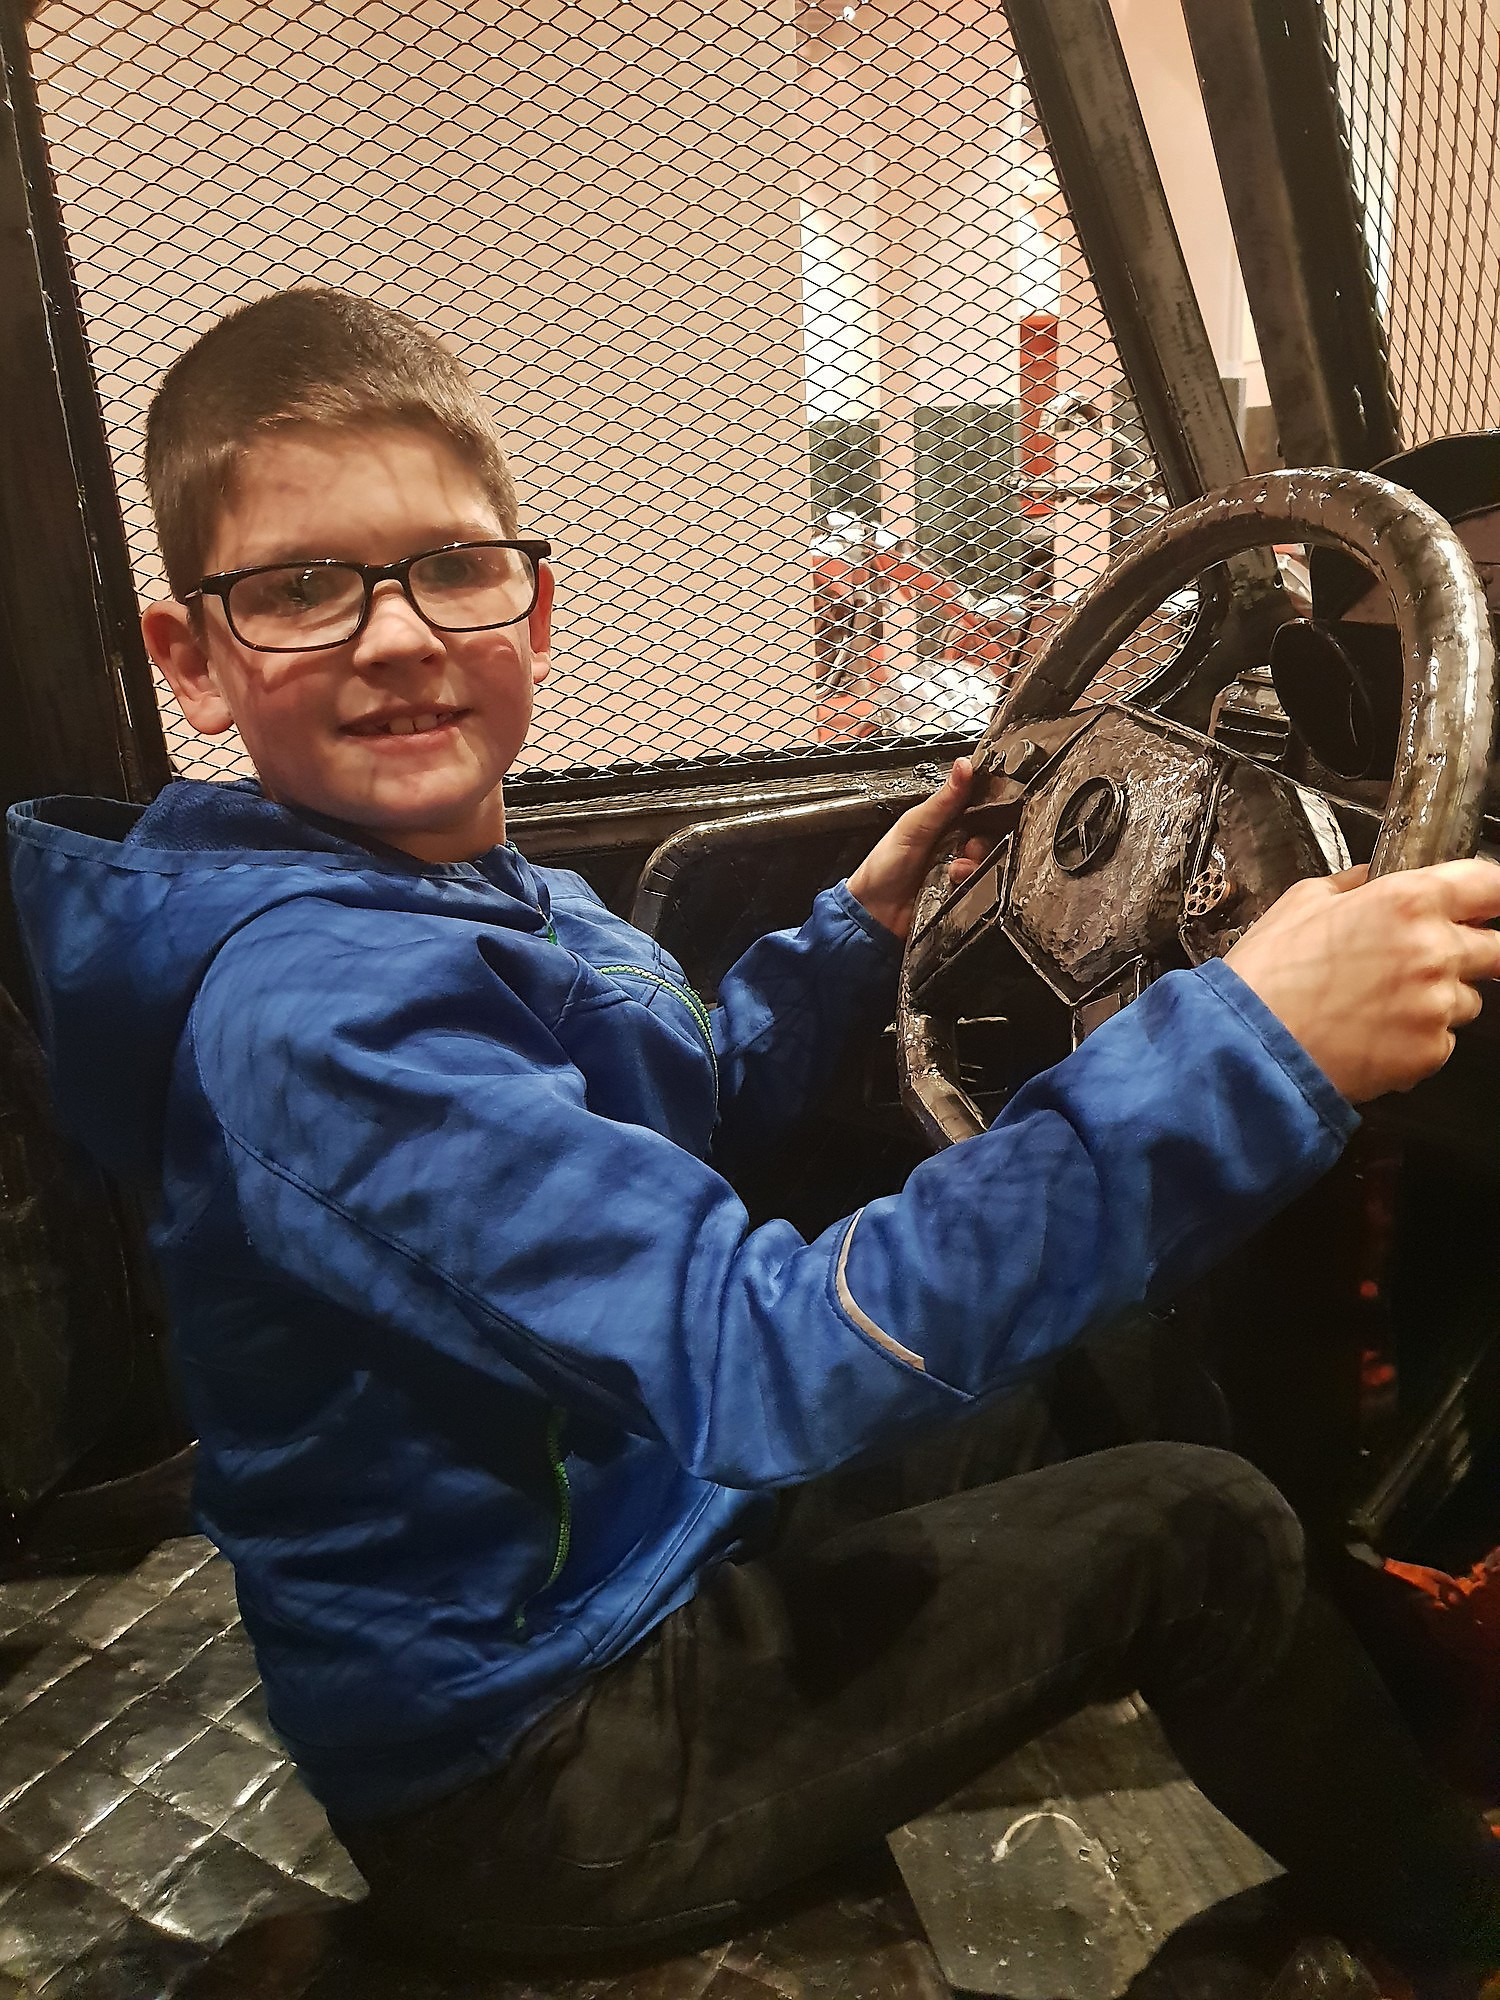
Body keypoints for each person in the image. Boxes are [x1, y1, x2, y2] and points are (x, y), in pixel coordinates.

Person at [8, 288, 1500, 1987]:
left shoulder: (447, 884)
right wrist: (1244, 1045)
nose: (399, 636)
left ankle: (1383, 1744)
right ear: (191, 659)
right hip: (537, 1762)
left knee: (1106, 1359)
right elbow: (754, 1361)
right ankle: (1456, 1929)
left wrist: (861, 930)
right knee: (1201, 1529)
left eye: (450, 568)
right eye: (298, 590)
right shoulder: (320, 1020)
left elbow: (661, 1125)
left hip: (640, 1528)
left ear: (531, 606)